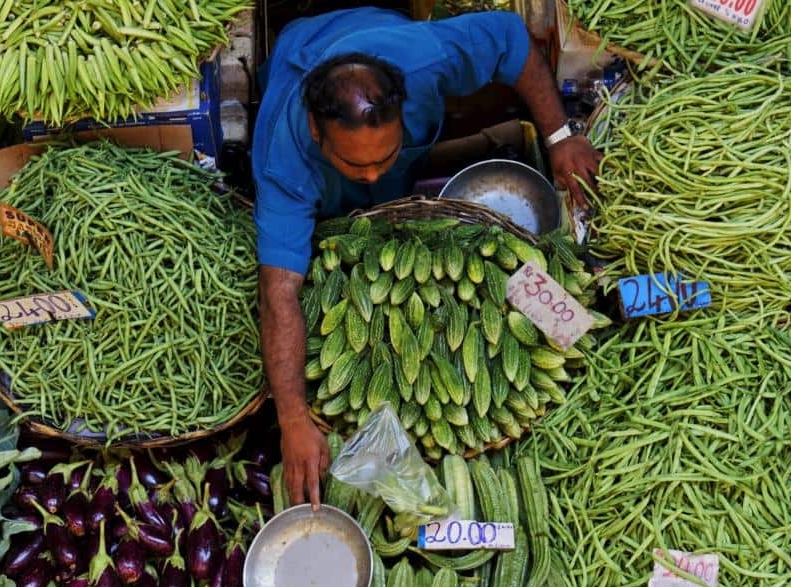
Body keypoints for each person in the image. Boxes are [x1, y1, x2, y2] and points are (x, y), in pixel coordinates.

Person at [252, 7, 602, 509]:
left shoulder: (420, 60)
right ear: (314, 130)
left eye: (385, 156)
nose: (372, 177)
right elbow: (278, 291)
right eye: (353, 162)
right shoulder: (282, 163)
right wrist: (291, 417)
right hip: (298, 52)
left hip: (374, 27)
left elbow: (510, 40)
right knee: (331, 219)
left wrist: (559, 138)